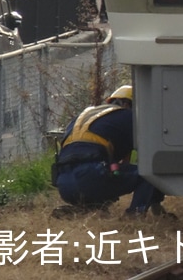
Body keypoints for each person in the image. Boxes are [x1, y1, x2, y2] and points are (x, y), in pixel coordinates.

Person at [53, 85, 166, 216]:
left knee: (111, 171)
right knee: (149, 173)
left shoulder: (85, 116)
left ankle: (85, 210)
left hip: (64, 184)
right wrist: (156, 200)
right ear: (129, 104)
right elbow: (151, 152)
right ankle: (135, 215)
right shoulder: (127, 116)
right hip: (92, 177)